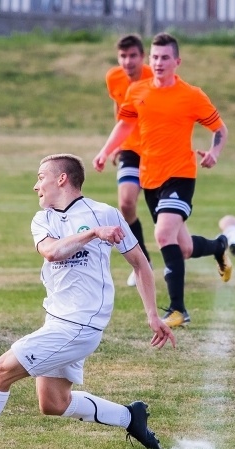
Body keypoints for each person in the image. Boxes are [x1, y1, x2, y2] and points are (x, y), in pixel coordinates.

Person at [0, 154, 175, 449]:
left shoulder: (104, 213)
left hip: (79, 325)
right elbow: (52, 252)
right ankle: (129, 417)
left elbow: (140, 264)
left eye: (41, 177)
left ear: (62, 179)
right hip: (57, 321)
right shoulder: (43, 219)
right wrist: (92, 234)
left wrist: (152, 314)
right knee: (54, 403)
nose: (35, 185)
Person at [93, 32, 232, 329]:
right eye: (154, 57)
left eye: (164, 57)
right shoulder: (138, 91)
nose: (158, 62)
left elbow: (220, 129)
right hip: (151, 178)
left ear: (177, 62)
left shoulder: (192, 95)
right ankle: (219, 246)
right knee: (182, 248)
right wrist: (106, 150)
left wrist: (214, 153)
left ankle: (178, 309)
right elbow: (125, 123)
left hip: (181, 175)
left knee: (163, 235)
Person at [105, 34, 154, 287]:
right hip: (131, 150)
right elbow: (119, 110)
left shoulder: (154, 77)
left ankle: (196, 251)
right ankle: (143, 261)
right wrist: (115, 144)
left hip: (156, 151)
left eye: (133, 55)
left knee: (169, 226)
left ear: (142, 57)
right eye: (123, 56)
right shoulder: (113, 78)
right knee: (125, 204)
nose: (127, 61)